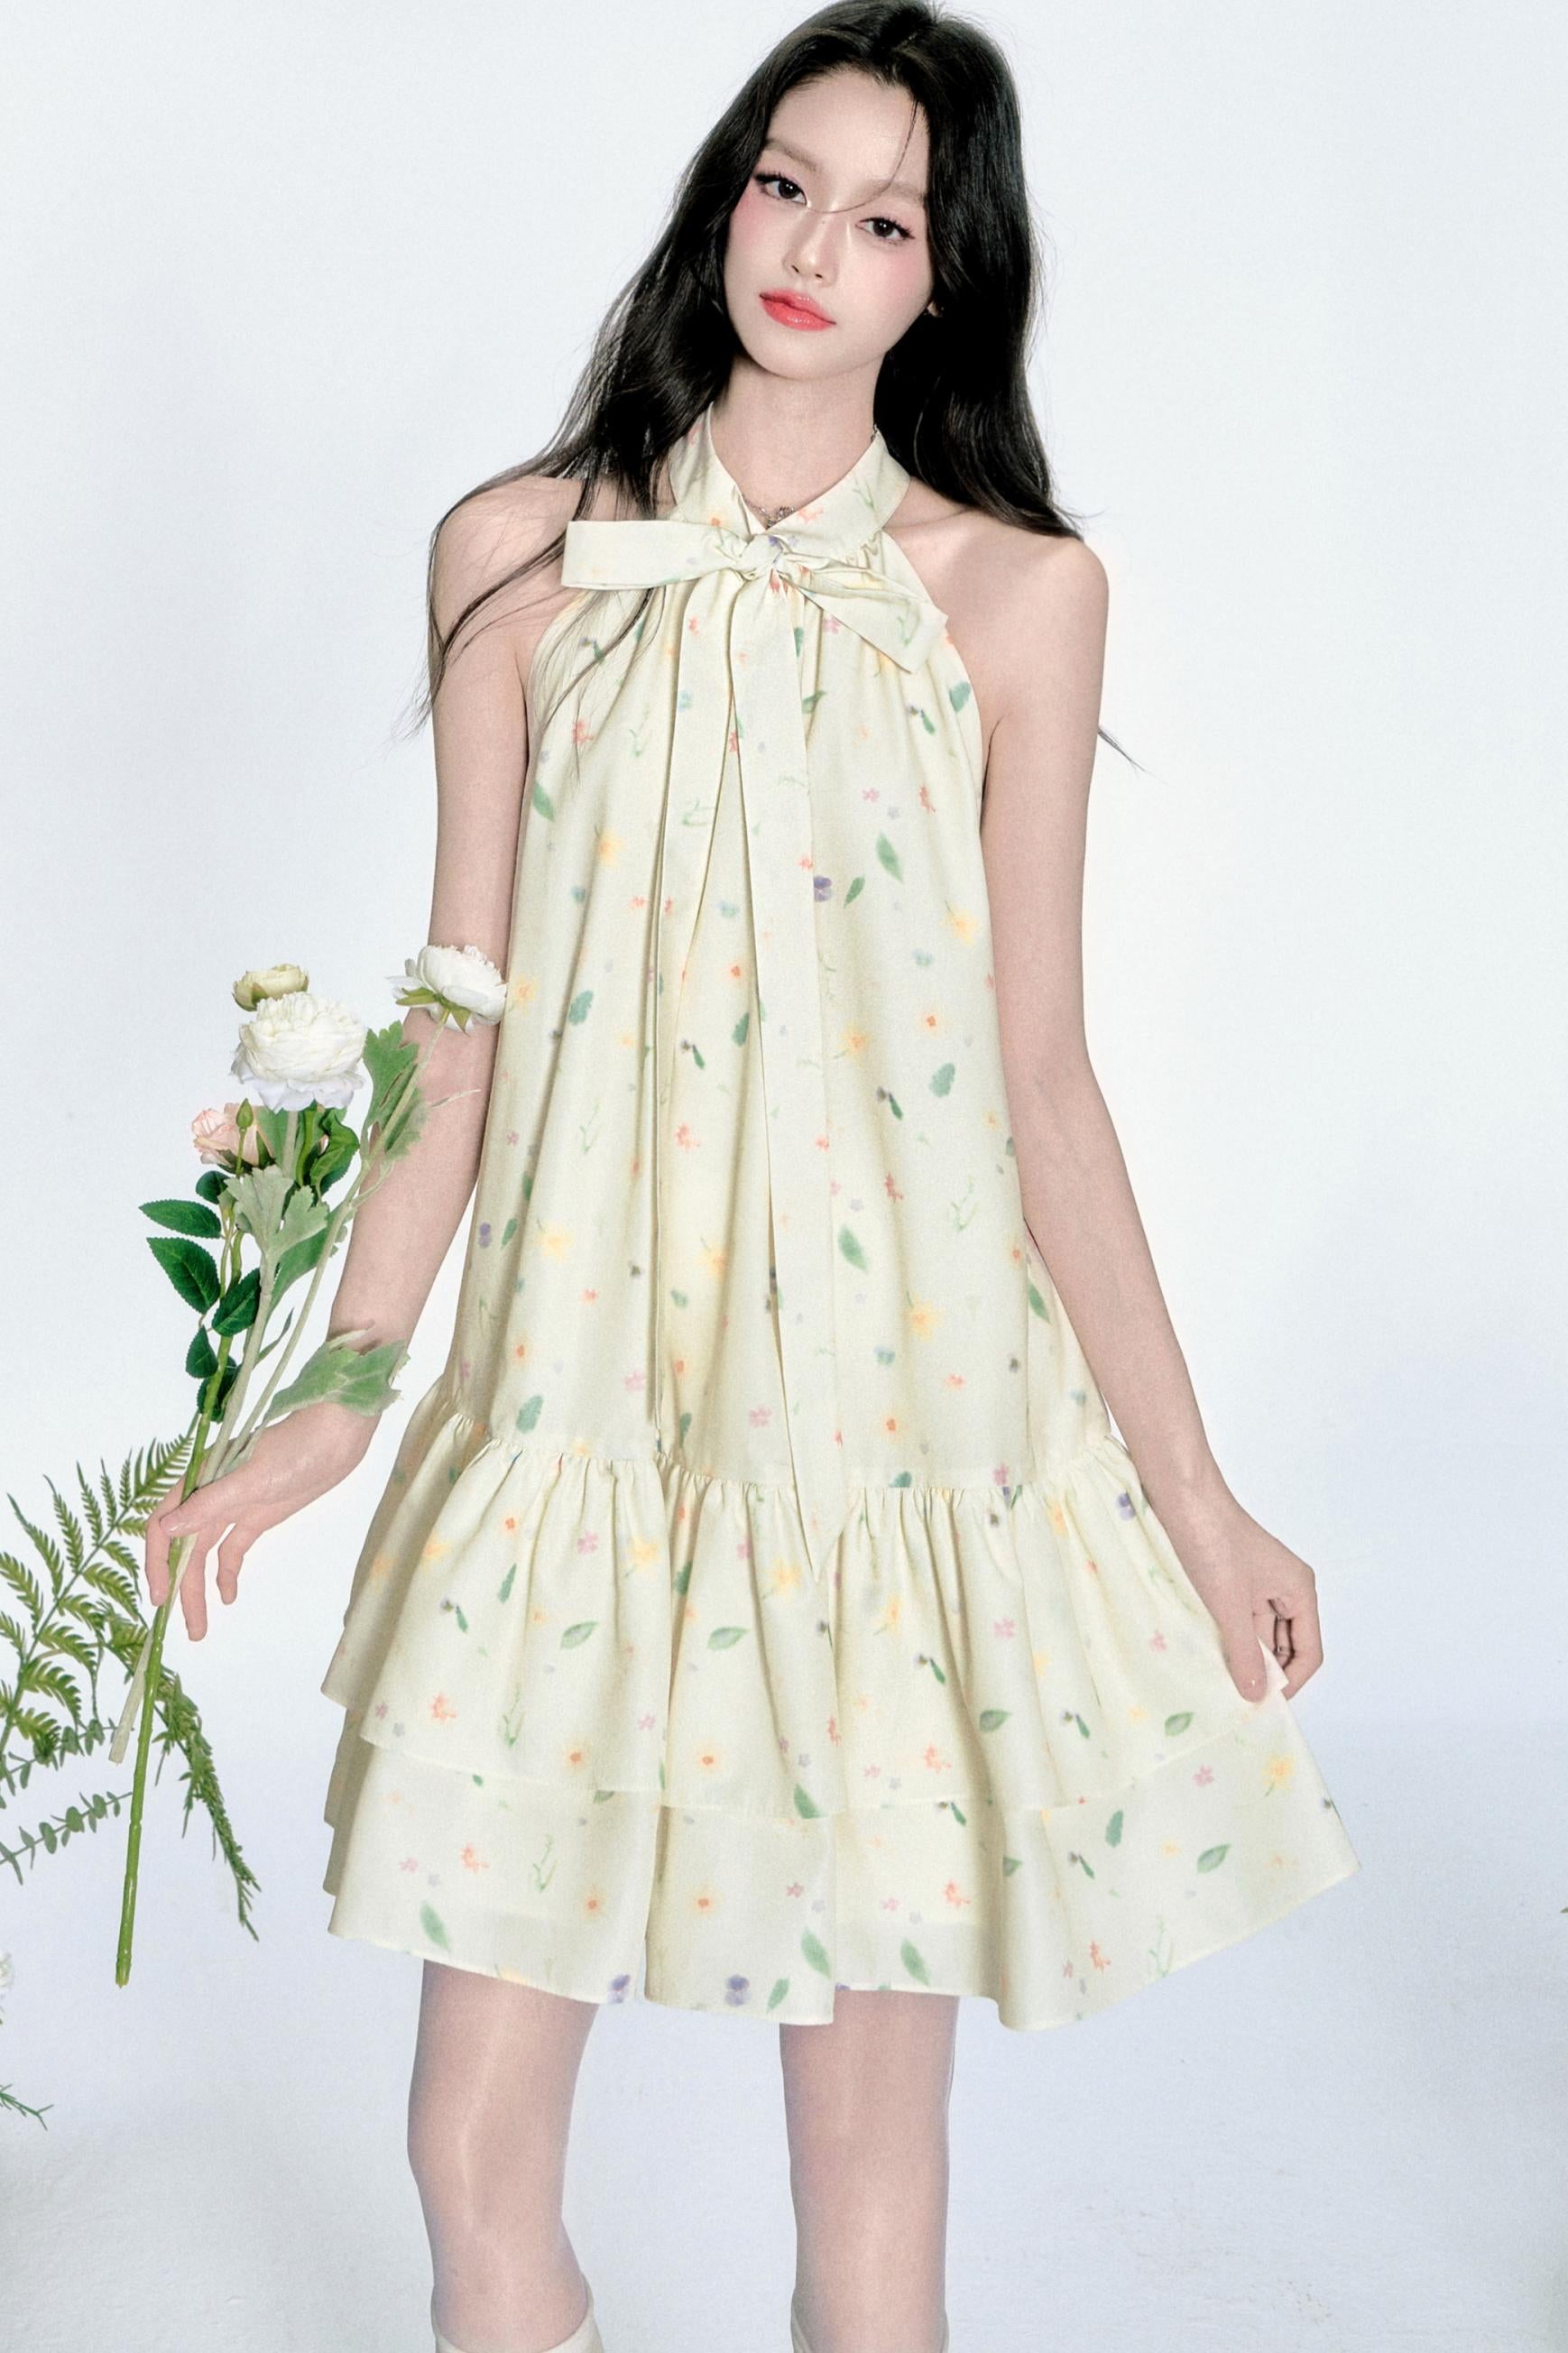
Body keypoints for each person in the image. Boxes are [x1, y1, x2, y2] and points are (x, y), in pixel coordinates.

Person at [143, 6, 1360, 2349]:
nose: (811, 246)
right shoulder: (522, 556)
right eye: (783, 183)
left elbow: (1041, 1080)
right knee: (467, 2152)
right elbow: (455, 1020)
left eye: (882, 216)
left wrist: (1197, 1502)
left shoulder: (1016, 593)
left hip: (900, 1426)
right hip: (578, 1404)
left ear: (946, 271)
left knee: (868, 2182)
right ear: (725, 195)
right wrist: (339, 1397)